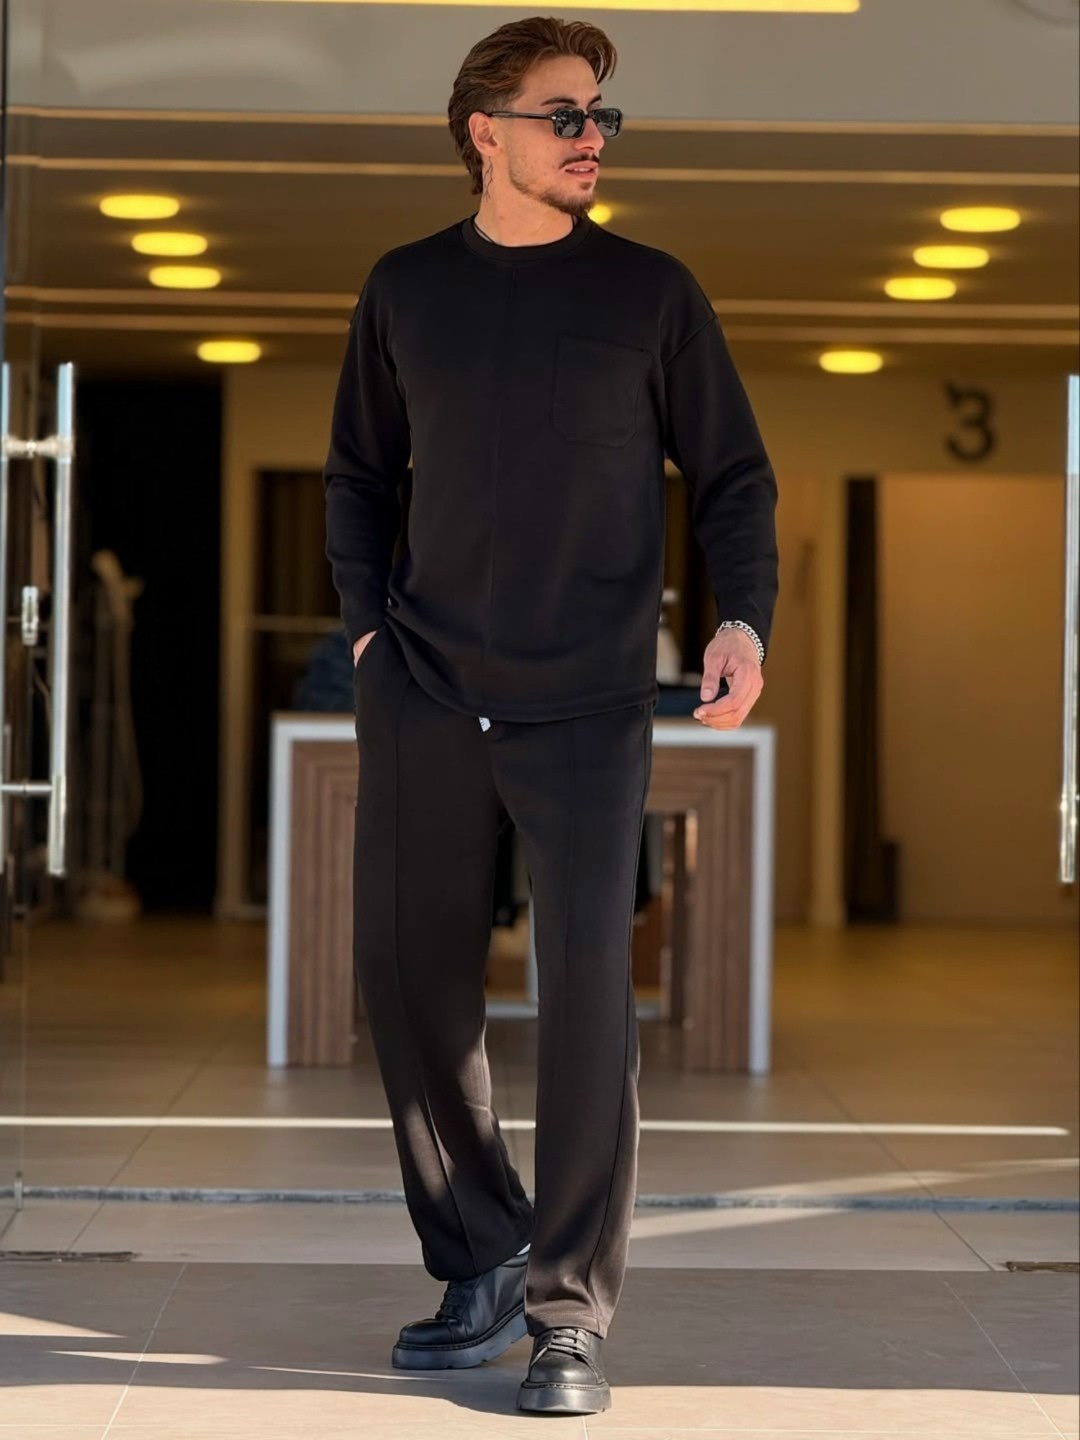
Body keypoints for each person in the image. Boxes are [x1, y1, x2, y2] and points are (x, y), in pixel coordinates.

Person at [323, 15, 778, 1417]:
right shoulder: (404, 288)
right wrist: (366, 633)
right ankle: (481, 1251)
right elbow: (358, 476)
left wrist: (743, 620)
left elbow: (733, 477)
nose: (592, 138)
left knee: (585, 1001)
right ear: (486, 132)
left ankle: (568, 1315)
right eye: (564, 114)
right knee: (410, 983)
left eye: (601, 117)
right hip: (424, 689)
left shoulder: (652, 293)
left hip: (587, 698)